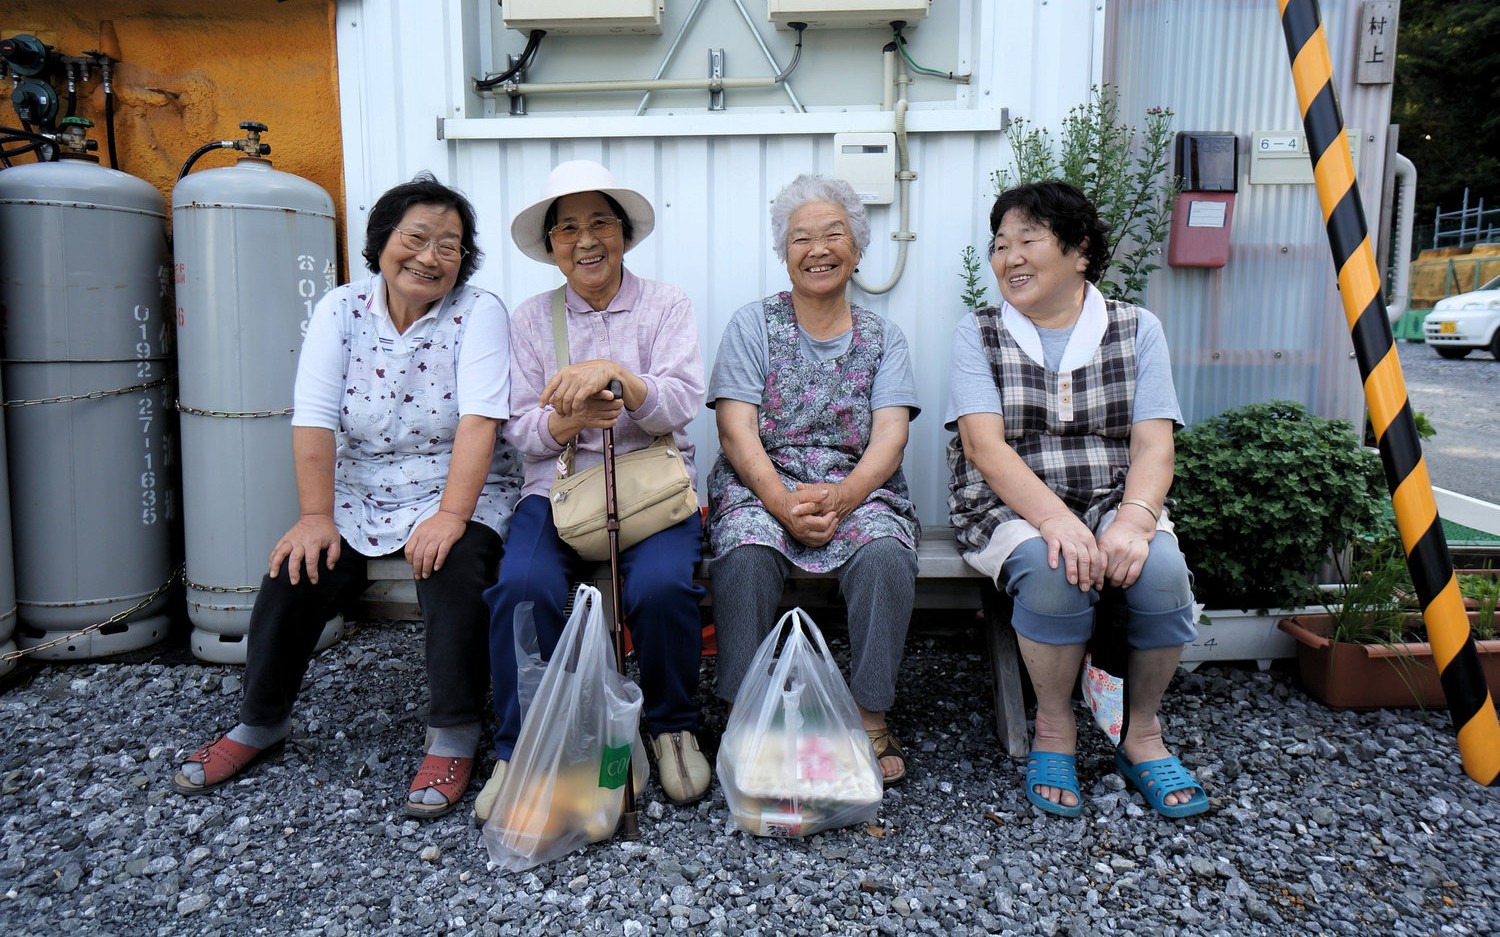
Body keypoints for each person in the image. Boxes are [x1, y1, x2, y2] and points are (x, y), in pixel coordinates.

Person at [174, 174, 522, 819]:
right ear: (381, 242)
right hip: (361, 486)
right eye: (415, 238)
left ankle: (453, 731)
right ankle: (260, 719)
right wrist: (313, 515)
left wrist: (450, 516)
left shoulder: (480, 312)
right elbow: (312, 415)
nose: (430, 256)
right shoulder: (340, 309)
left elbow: (480, 420)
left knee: (454, 561)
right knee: (297, 566)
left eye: (450, 246)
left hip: (456, 485)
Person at [946, 180, 1206, 818]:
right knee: (1053, 568)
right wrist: (1056, 521)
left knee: (1163, 571)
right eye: (1000, 245)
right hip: (1007, 504)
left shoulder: (1137, 328)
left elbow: (1153, 446)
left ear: (1080, 251)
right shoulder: (978, 333)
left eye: (1028, 240)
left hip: (1113, 499)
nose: (1010, 258)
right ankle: (1054, 727)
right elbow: (984, 446)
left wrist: (1136, 520)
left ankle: (1141, 733)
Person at [476, 160, 708, 822]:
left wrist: (621, 380)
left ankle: (671, 725)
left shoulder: (667, 304)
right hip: (560, 488)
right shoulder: (530, 320)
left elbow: (683, 398)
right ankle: (525, 745)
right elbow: (522, 429)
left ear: (625, 234)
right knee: (522, 588)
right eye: (568, 227)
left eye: (600, 222)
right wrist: (570, 419)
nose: (586, 240)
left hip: (652, 484)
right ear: (552, 245)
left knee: (663, 587)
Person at [706, 173, 920, 786]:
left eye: (834, 234)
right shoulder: (753, 325)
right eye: (802, 238)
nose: (818, 249)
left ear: (858, 248)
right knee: (743, 551)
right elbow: (735, 431)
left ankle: (869, 714)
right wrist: (779, 501)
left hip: (858, 489)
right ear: (784, 251)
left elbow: (891, 436)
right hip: (761, 485)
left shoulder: (884, 338)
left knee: (884, 553)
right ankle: (745, 717)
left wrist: (845, 496)